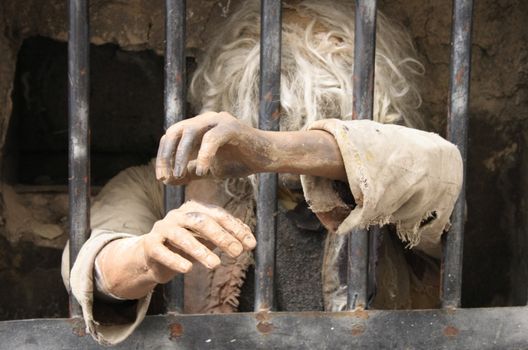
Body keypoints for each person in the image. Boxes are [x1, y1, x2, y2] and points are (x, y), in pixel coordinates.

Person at [61, 0, 462, 345]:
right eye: (274, 109)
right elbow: (86, 259)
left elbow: (434, 166)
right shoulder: (167, 182)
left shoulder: (392, 179)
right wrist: (146, 257)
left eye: (318, 108)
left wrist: (271, 150)